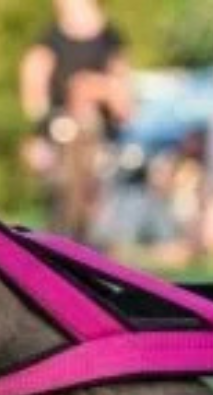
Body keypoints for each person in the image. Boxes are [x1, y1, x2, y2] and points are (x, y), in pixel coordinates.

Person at [19, 0, 133, 238]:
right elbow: (34, 98)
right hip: (60, 134)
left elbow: (124, 103)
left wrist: (96, 89)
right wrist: (44, 131)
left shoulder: (111, 42)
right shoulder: (47, 43)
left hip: (100, 141)